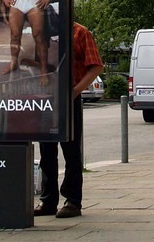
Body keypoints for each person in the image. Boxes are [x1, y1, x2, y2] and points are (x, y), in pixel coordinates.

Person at [34, 22, 103, 219]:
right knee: (46, 151)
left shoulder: (80, 32)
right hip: (45, 98)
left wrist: (75, 91)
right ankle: (48, 200)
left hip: (67, 98)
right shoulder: (43, 30)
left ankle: (72, 201)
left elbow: (96, 65)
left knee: (71, 150)